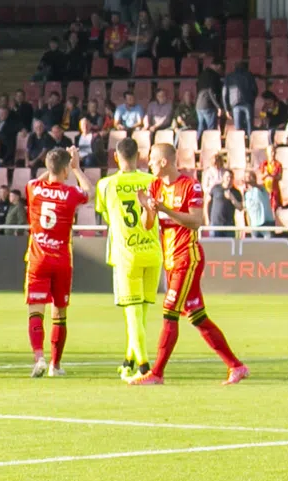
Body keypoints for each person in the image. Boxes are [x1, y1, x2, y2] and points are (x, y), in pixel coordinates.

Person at [131, 142, 247, 385]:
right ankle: (236, 366)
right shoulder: (154, 186)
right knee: (197, 316)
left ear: (164, 162)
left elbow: (196, 221)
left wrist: (165, 208)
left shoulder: (189, 185)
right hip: (171, 259)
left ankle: (157, 373)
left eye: (152, 159)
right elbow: (148, 225)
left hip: (188, 256)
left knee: (169, 310)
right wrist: (147, 207)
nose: (148, 163)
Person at [95, 136, 160, 381]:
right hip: (152, 252)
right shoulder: (152, 181)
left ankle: (144, 368)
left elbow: (105, 214)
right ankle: (128, 361)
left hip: (127, 255)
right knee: (141, 315)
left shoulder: (106, 185)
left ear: (115, 157)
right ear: (139, 156)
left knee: (132, 315)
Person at [22, 147, 90, 378]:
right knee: (59, 314)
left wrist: (50, 170)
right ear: (65, 169)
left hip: (37, 260)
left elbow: (36, 180)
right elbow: (89, 192)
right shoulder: (71, 193)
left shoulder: (34, 188)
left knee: (35, 311)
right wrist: (77, 168)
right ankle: (55, 365)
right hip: (61, 260)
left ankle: (39, 357)